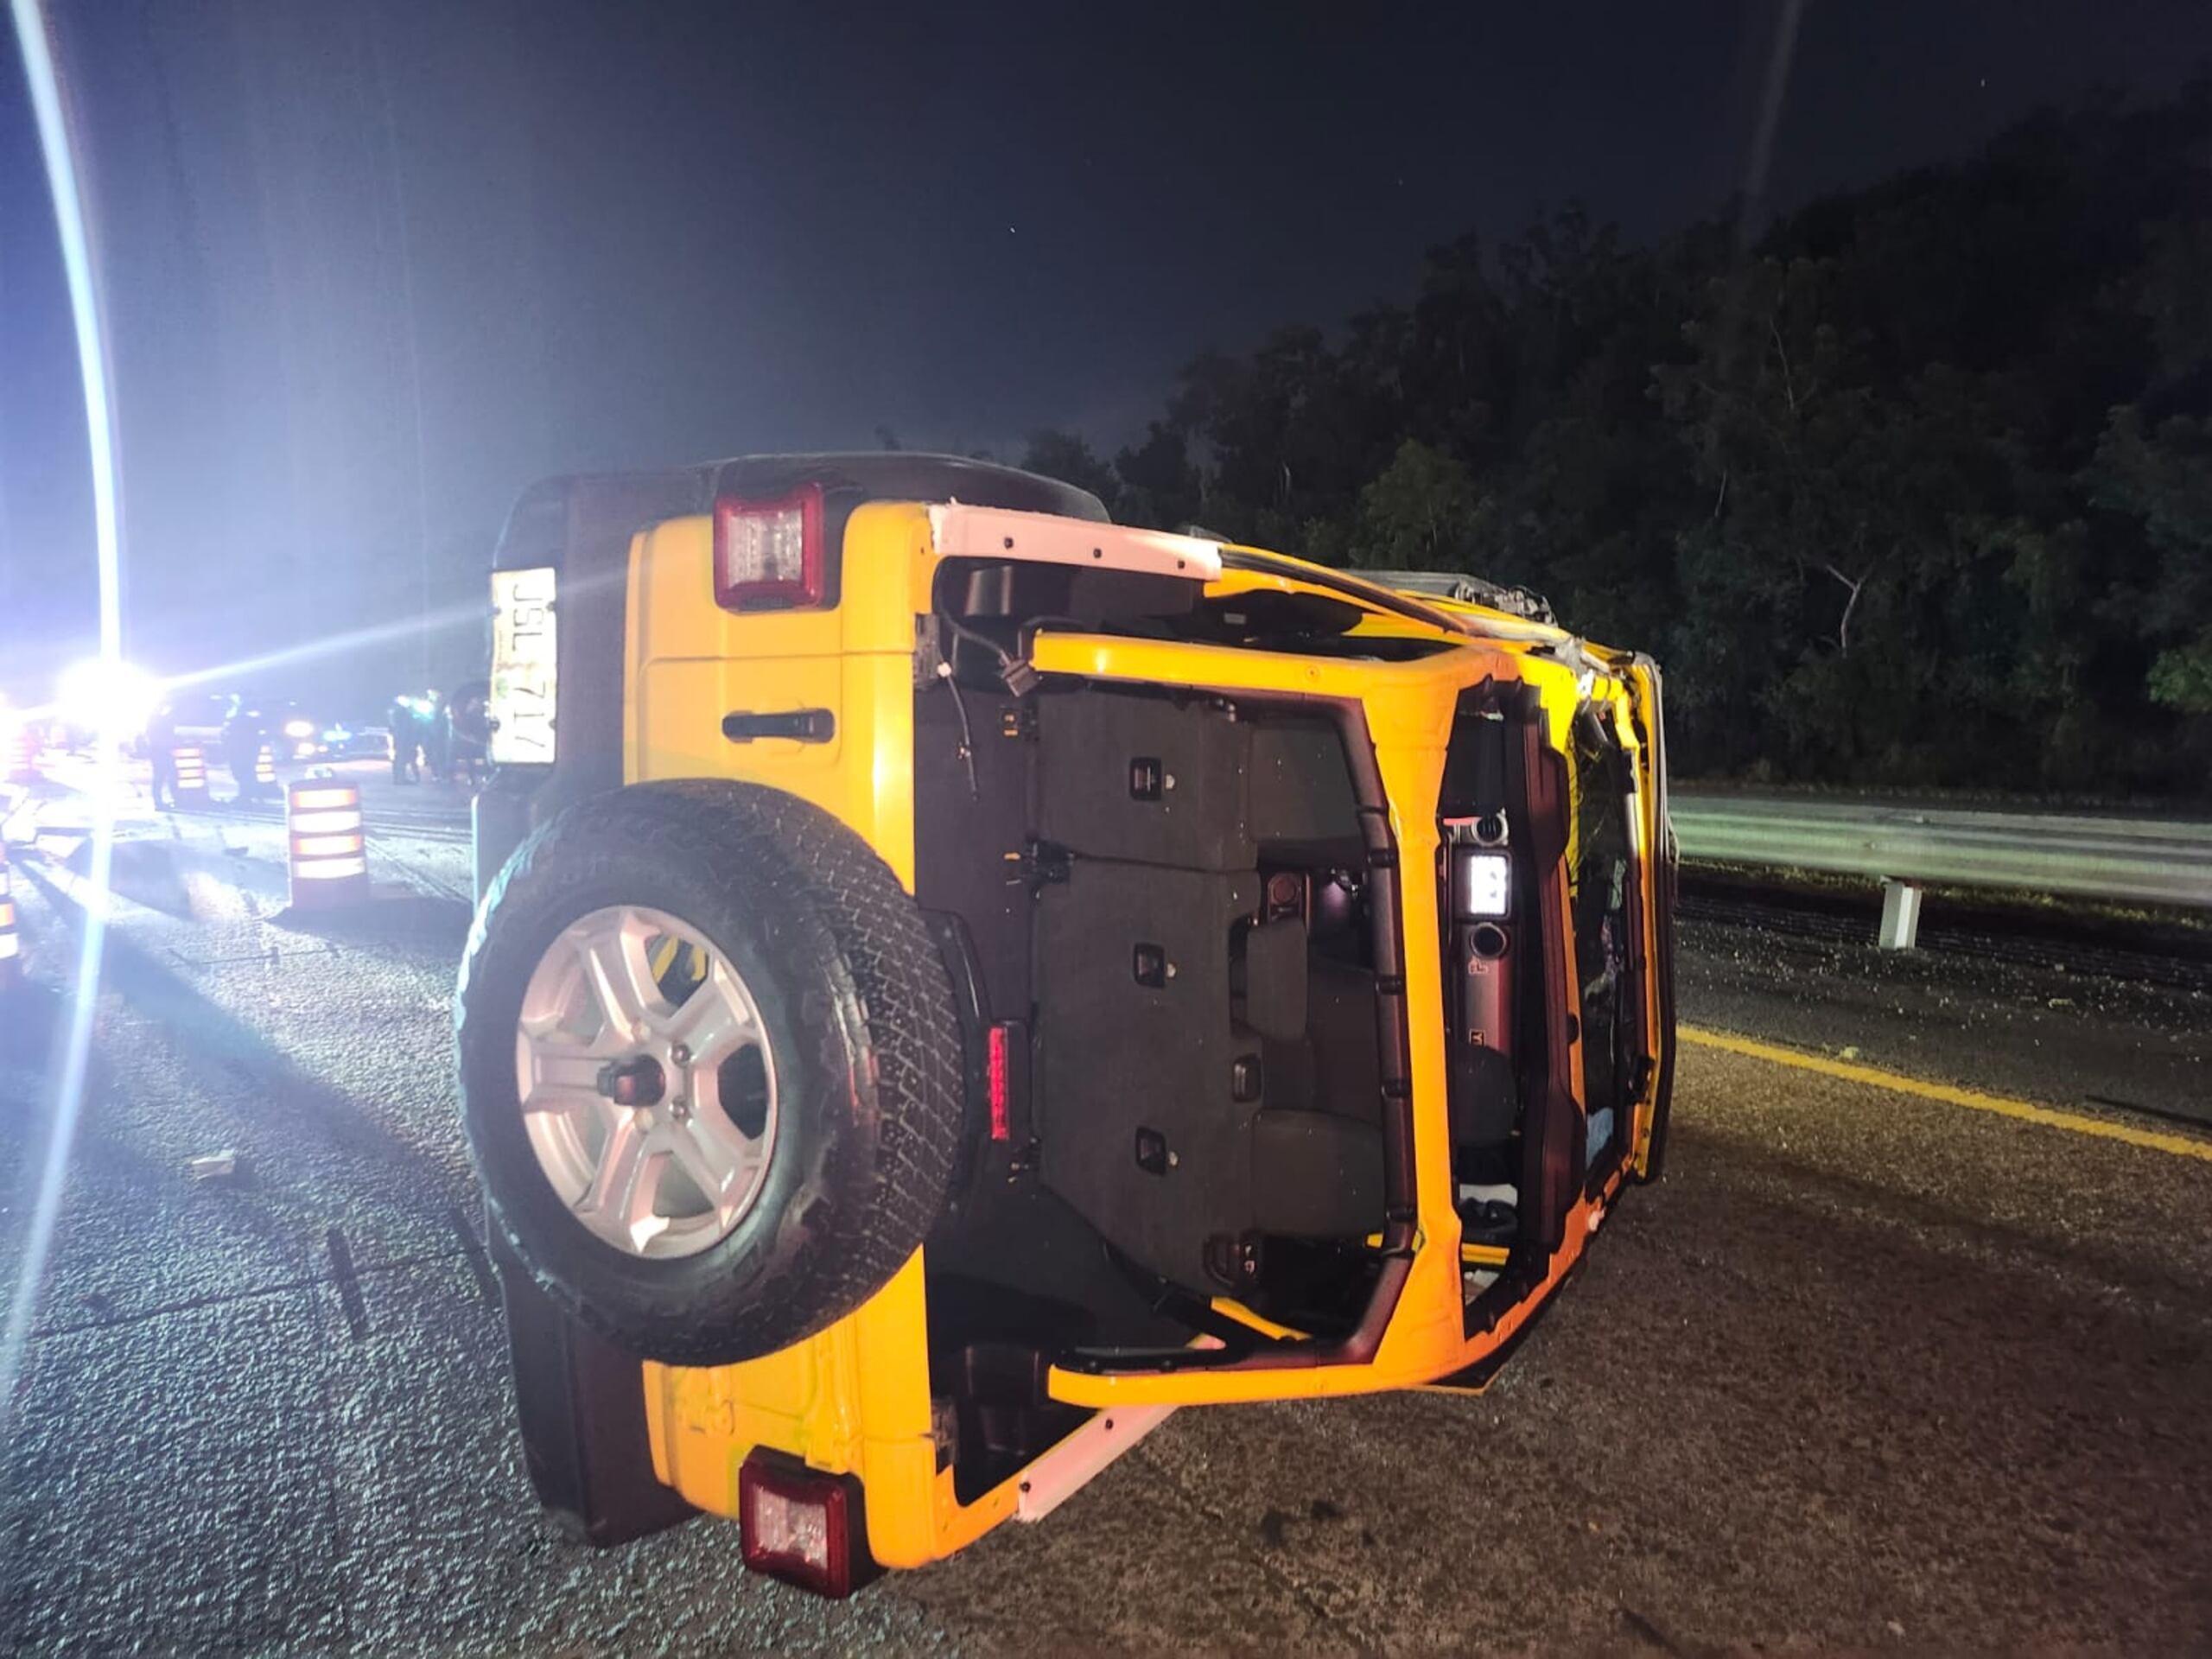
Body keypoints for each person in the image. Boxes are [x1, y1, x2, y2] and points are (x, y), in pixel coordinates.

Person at [147, 701, 179, 810]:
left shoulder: (156, 719)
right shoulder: (157, 719)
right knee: (163, 776)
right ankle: (163, 801)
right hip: (160, 751)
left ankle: (160, 801)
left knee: (163, 776)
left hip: (159, 751)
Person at [387, 695, 421, 784]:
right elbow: (407, 725)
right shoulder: (401, 711)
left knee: (400, 758)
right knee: (401, 758)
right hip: (403, 738)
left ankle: (399, 778)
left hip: (400, 737)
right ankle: (401, 779)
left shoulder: (396, 710)